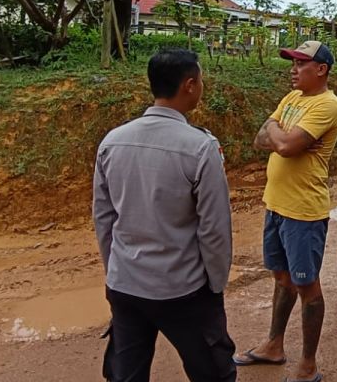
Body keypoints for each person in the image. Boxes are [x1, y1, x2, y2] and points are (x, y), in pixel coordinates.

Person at [93, 50, 236, 381]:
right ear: (189, 85)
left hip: (125, 285)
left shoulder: (112, 142)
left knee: (126, 373)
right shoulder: (200, 148)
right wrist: (214, 286)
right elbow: (214, 228)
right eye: (201, 80)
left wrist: (115, 268)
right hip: (183, 289)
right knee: (213, 372)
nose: (202, 86)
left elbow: (104, 218)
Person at [234, 42, 337, 381]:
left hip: (304, 212)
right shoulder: (292, 98)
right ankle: (274, 346)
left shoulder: (328, 104)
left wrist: (279, 136)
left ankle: (308, 365)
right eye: (292, 62)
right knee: (282, 279)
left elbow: (280, 143)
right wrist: (282, 138)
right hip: (276, 204)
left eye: (300, 63)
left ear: (321, 69)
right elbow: (261, 138)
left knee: (308, 286)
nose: (293, 69)